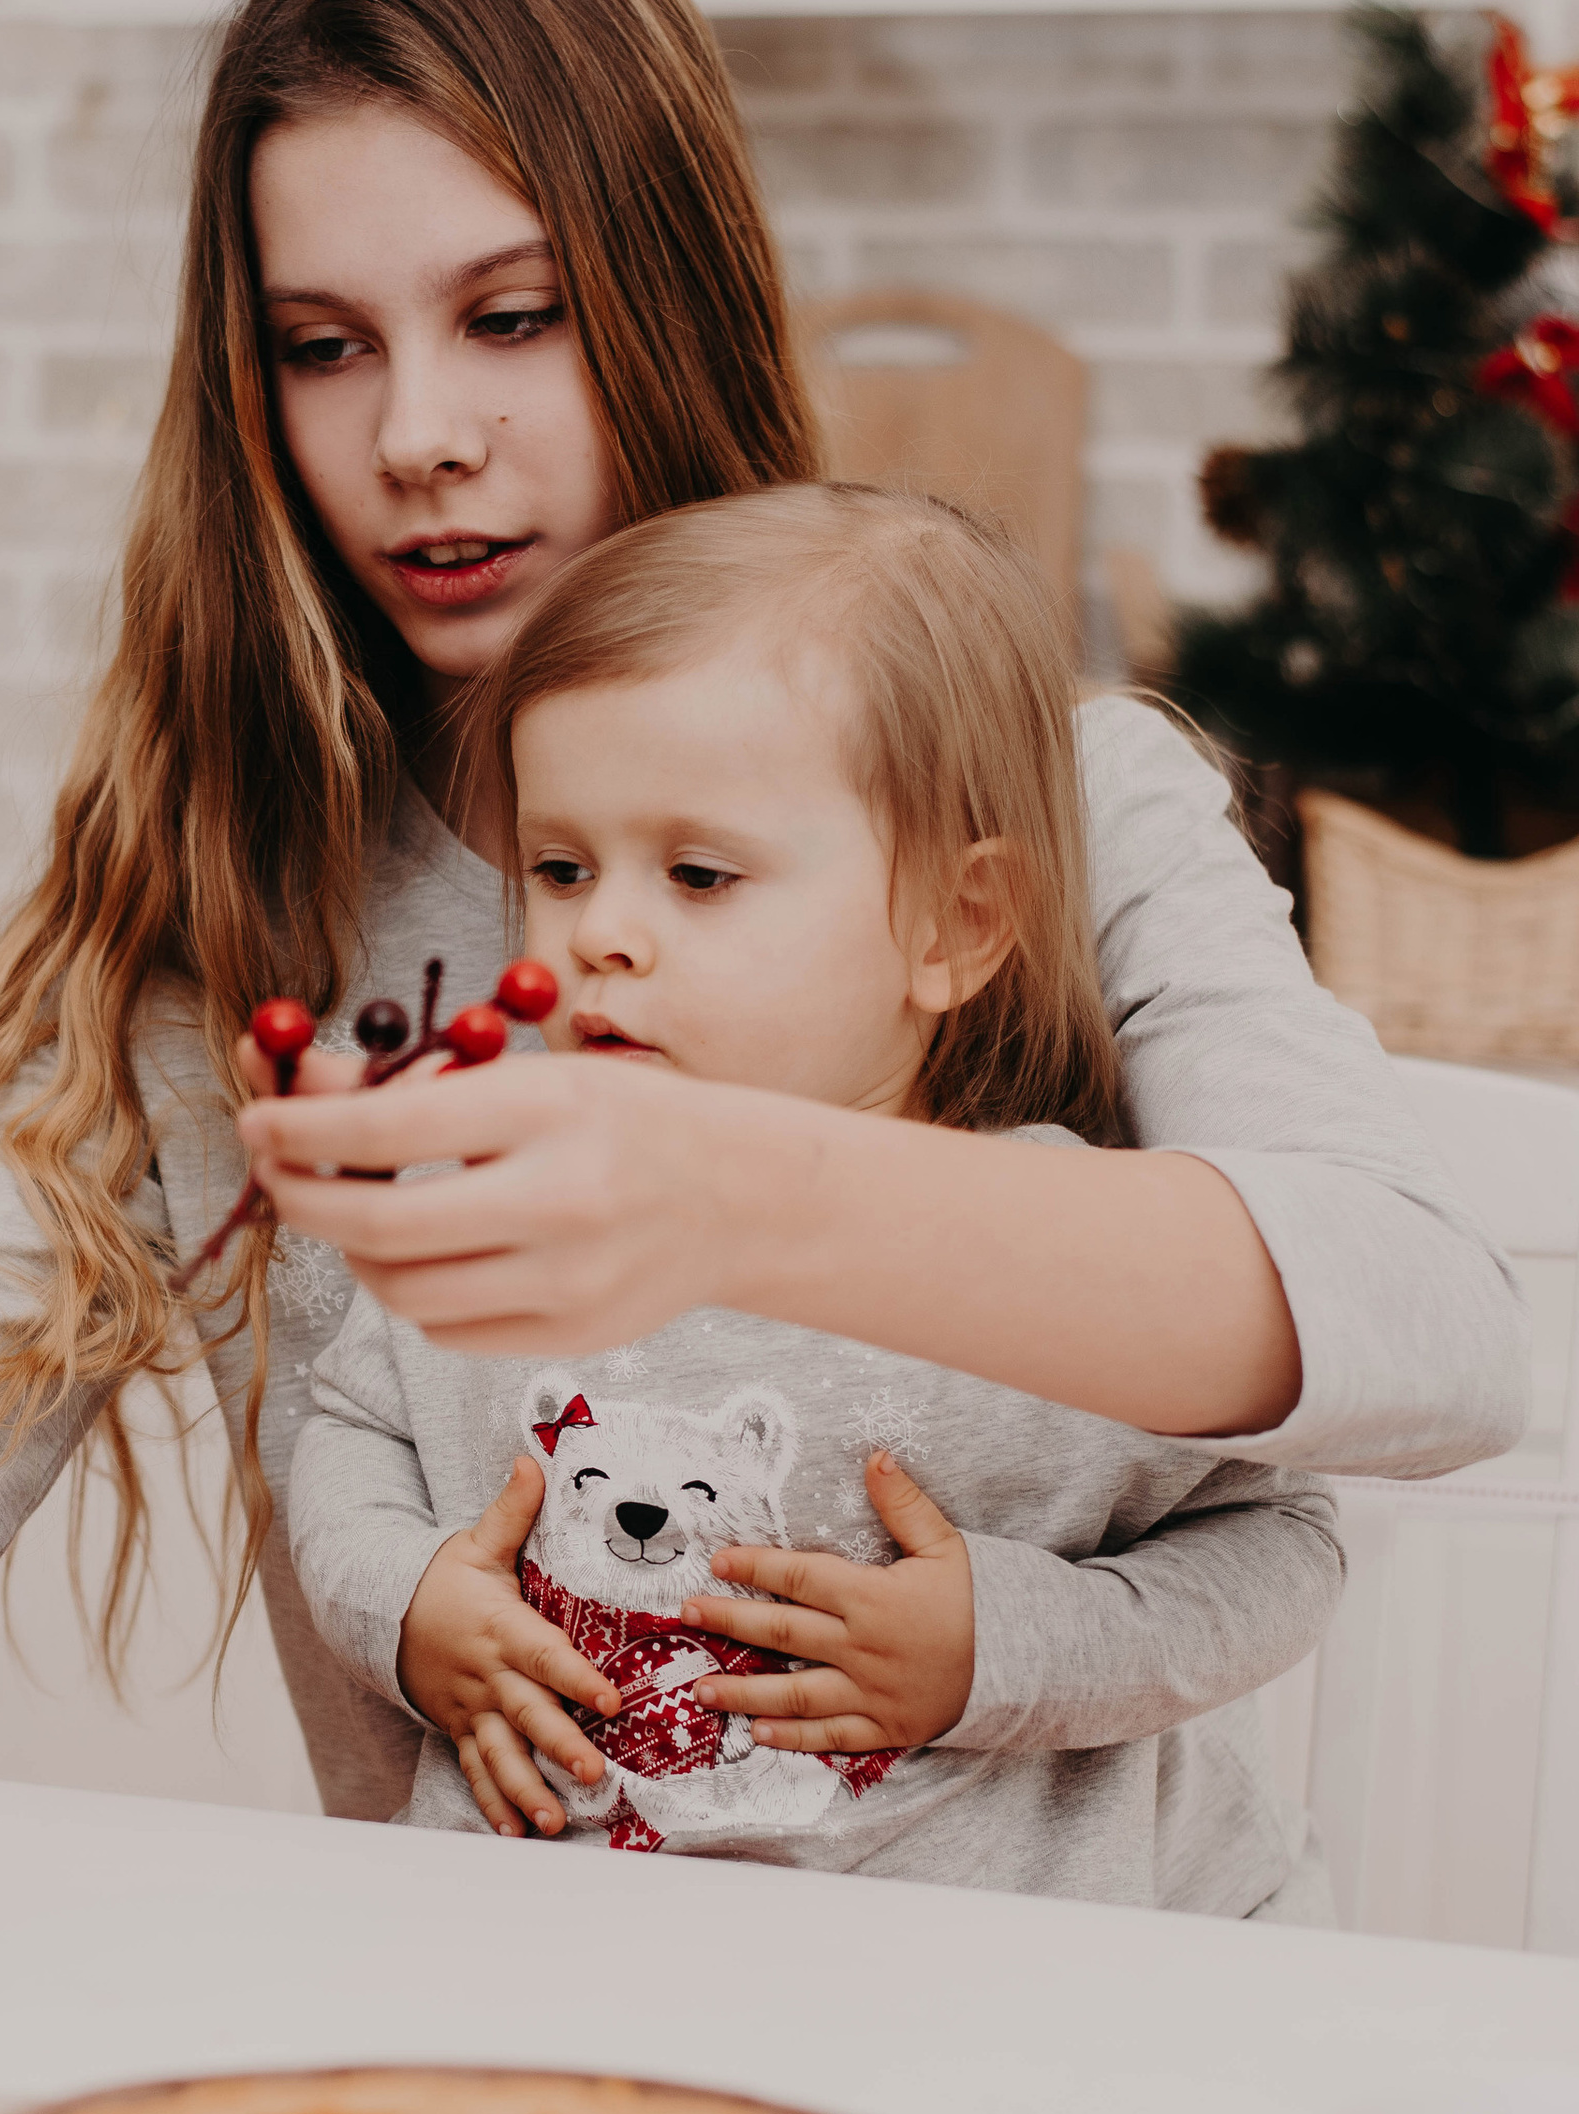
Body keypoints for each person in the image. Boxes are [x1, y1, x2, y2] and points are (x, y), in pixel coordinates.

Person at [0, 0, 1521, 1833]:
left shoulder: (1040, 787)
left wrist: (726, 1187)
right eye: (320, 347)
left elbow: (1427, 1336)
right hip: (521, 2047)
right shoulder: (233, 913)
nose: (418, 437)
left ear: (670, 291)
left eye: (510, 316)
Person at [288, 485, 1341, 1918]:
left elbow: (1284, 1547)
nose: (599, 933)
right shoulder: (484, 1194)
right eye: (559, 868)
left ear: (954, 926)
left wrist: (1005, 1647)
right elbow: (349, 1430)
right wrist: (405, 1607)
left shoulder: (1065, 1251)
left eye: (700, 874)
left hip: (1009, 2015)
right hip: (547, 1982)